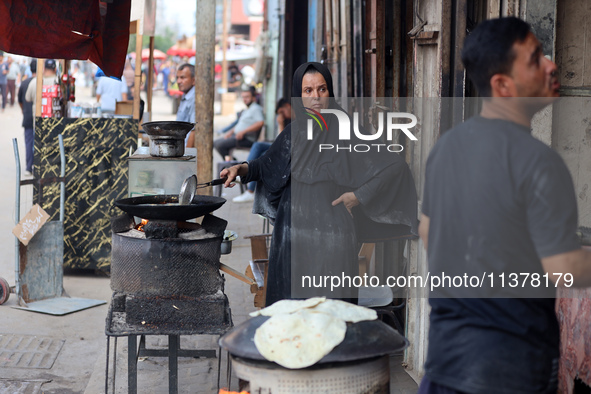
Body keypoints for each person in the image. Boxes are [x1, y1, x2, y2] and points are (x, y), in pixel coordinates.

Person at [418, 17, 591, 394]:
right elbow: (563, 269)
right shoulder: (538, 162)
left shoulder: (446, 148)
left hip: (444, 364)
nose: (551, 65)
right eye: (535, 59)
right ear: (502, 85)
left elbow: (428, 233)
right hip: (510, 370)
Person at [221, 62, 418, 305]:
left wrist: (358, 196)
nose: (316, 97)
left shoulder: (345, 130)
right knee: (290, 314)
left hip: (332, 239)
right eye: (308, 91)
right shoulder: (294, 132)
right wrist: (240, 168)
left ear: (330, 92)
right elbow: (265, 165)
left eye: (322, 89)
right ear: (298, 95)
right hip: (290, 237)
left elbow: (393, 167)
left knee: (331, 313)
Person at [233, 98, 292, 203]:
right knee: (257, 145)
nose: (281, 115)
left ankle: (250, 191)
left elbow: (284, 144)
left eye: (282, 112)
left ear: (288, 105)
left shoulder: (297, 118)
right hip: (281, 146)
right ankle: (246, 173)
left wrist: (281, 125)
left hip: (289, 150)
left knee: (264, 155)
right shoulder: (287, 119)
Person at [213, 88, 264, 161]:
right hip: (237, 136)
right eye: (243, 97)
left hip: (246, 138)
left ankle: (231, 163)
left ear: (253, 98)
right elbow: (241, 124)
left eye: (247, 97)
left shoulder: (256, 108)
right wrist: (231, 132)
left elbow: (260, 123)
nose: (245, 99)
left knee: (220, 145)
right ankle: (232, 162)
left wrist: (243, 132)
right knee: (216, 143)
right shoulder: (247, 109)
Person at [18, 59, 36, 176]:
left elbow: (20, 100)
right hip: (38, 117)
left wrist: (23, 111)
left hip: (28, 117)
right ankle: (37, 166)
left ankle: (29, 168)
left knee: (29, 142)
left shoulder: (24, 83)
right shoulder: (40, 82)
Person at [175, 63, 196, 147]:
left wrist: (187, 156)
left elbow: (194, 131)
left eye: (183, 78)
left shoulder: (194, 99)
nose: (178, 81)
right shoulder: (185, 95)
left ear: (193, 80)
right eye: (177, 78)